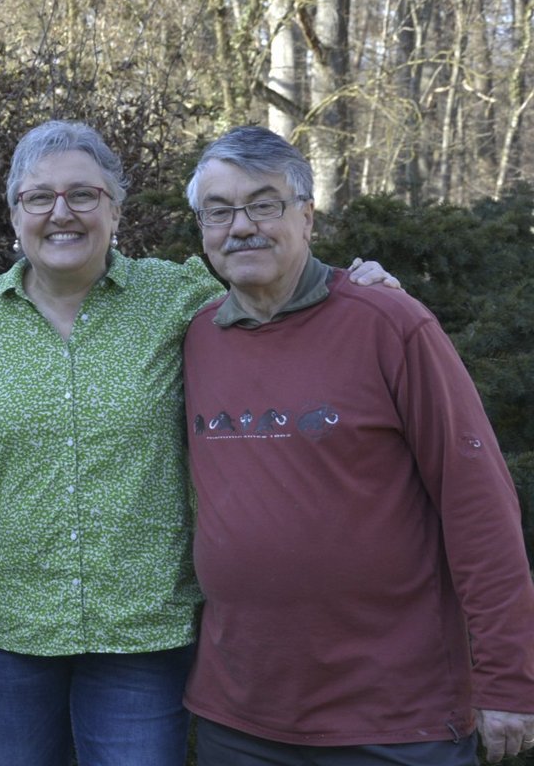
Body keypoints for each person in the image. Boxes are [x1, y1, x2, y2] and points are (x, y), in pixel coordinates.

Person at [0, 120, 397, 766]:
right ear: (14, 213)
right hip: (4, 628)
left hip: (143, 630)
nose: (61, 213)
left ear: (116, 209)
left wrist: (360, 292)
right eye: (39, 197)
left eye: (84, 194)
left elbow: (279, 298)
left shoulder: (177, 295)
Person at [182, 125, 534, 765]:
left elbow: (478, 505)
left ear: (307, 216)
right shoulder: (195, 339)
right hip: (238, 718)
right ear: (202, 227)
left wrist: (510, 678)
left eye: (264, 204)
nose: (242, 227)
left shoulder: (390, 324)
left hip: (396, 719)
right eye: (220, 211)